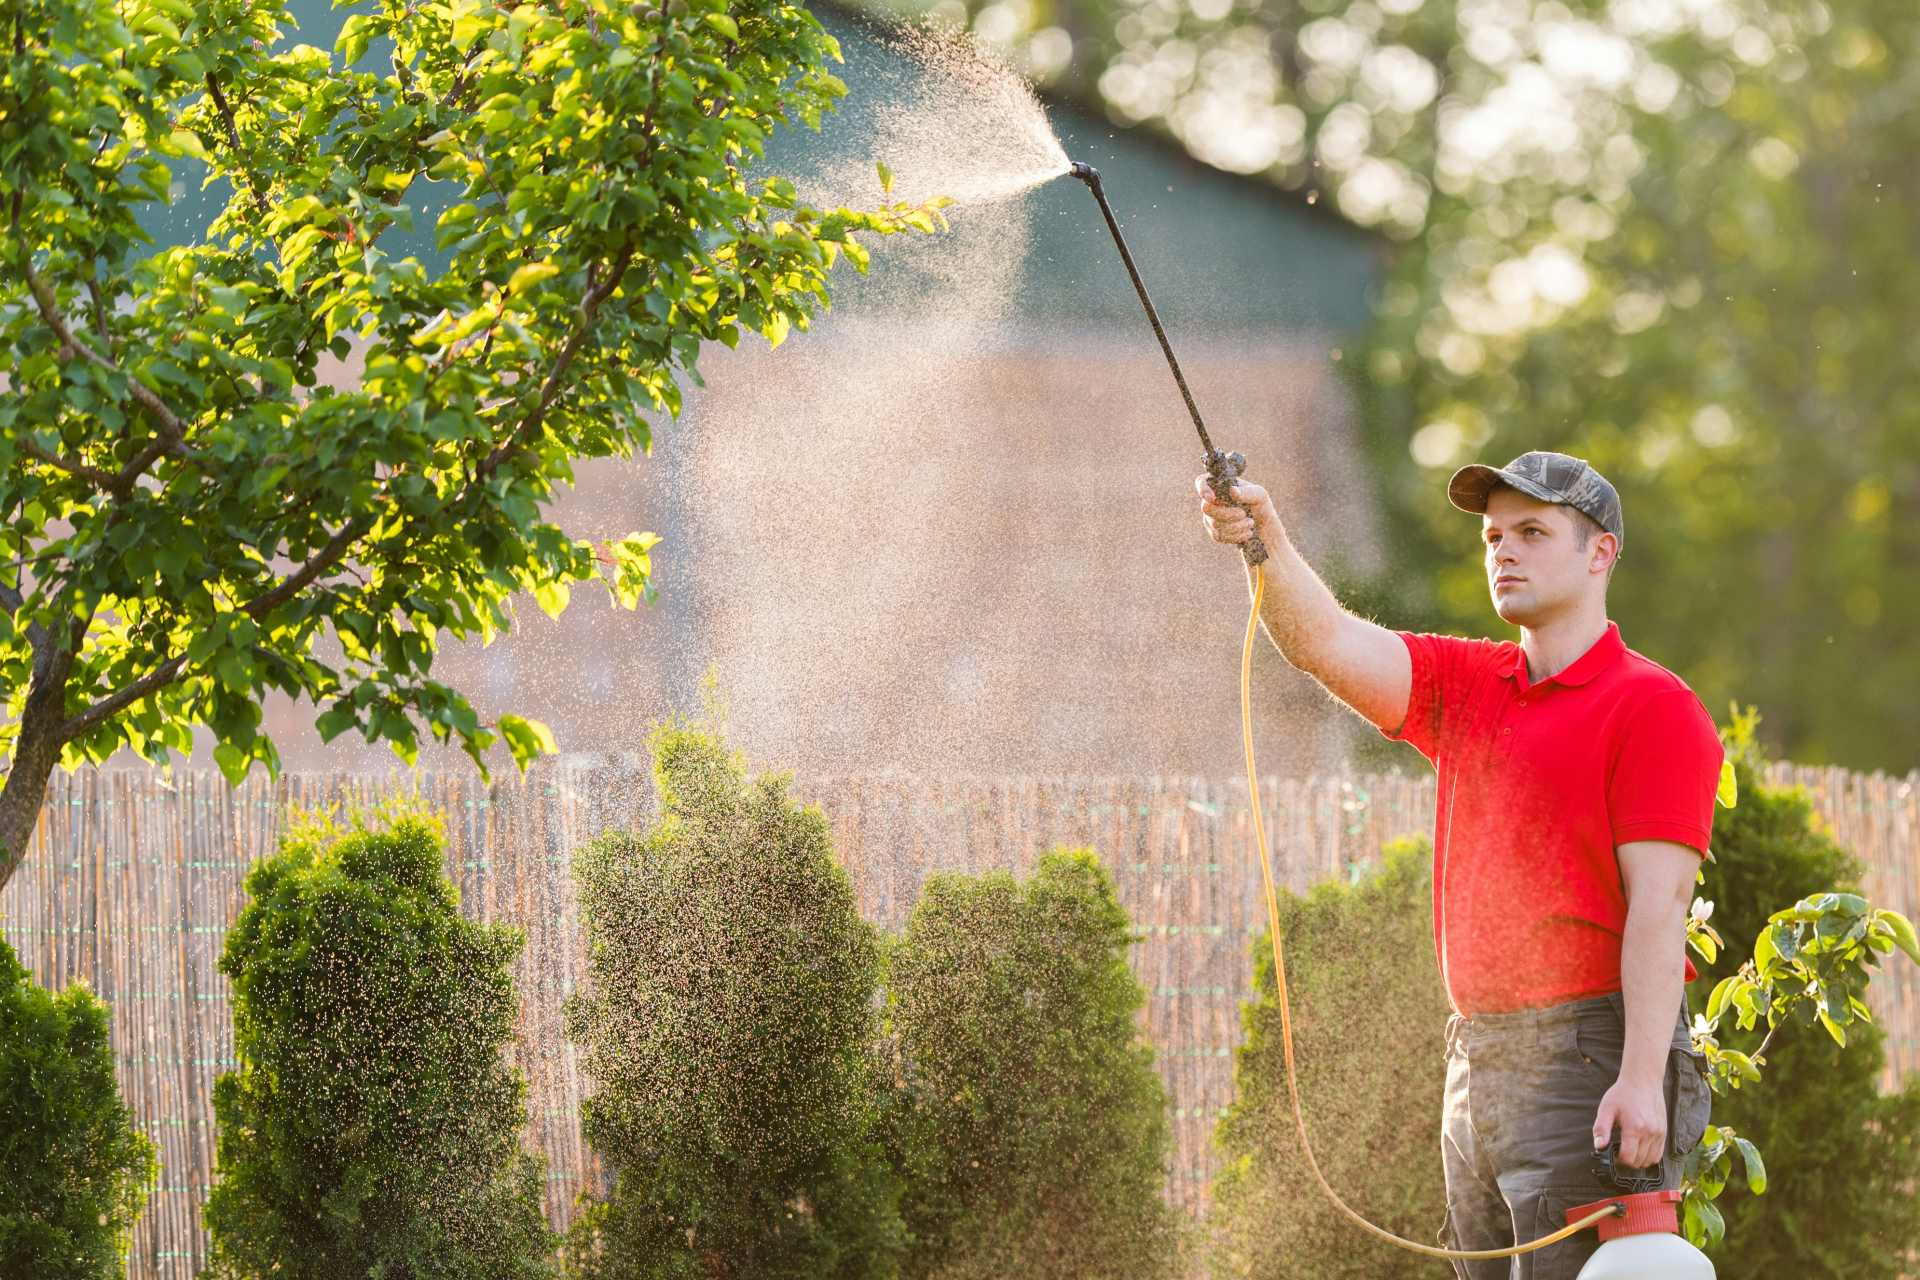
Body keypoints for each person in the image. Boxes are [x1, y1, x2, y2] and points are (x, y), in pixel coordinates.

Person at [1197, 450, 1717, 1280]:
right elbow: (1323, 642)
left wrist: (1642, 1079)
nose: (1503, 551)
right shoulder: (1469, 683)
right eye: (1494, 536)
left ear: (1600, 552)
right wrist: (1266, 544)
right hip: (1475, 1060)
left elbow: (1661, 906)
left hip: (1587, 1064)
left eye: (1533, 532)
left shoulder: (1654, 707)